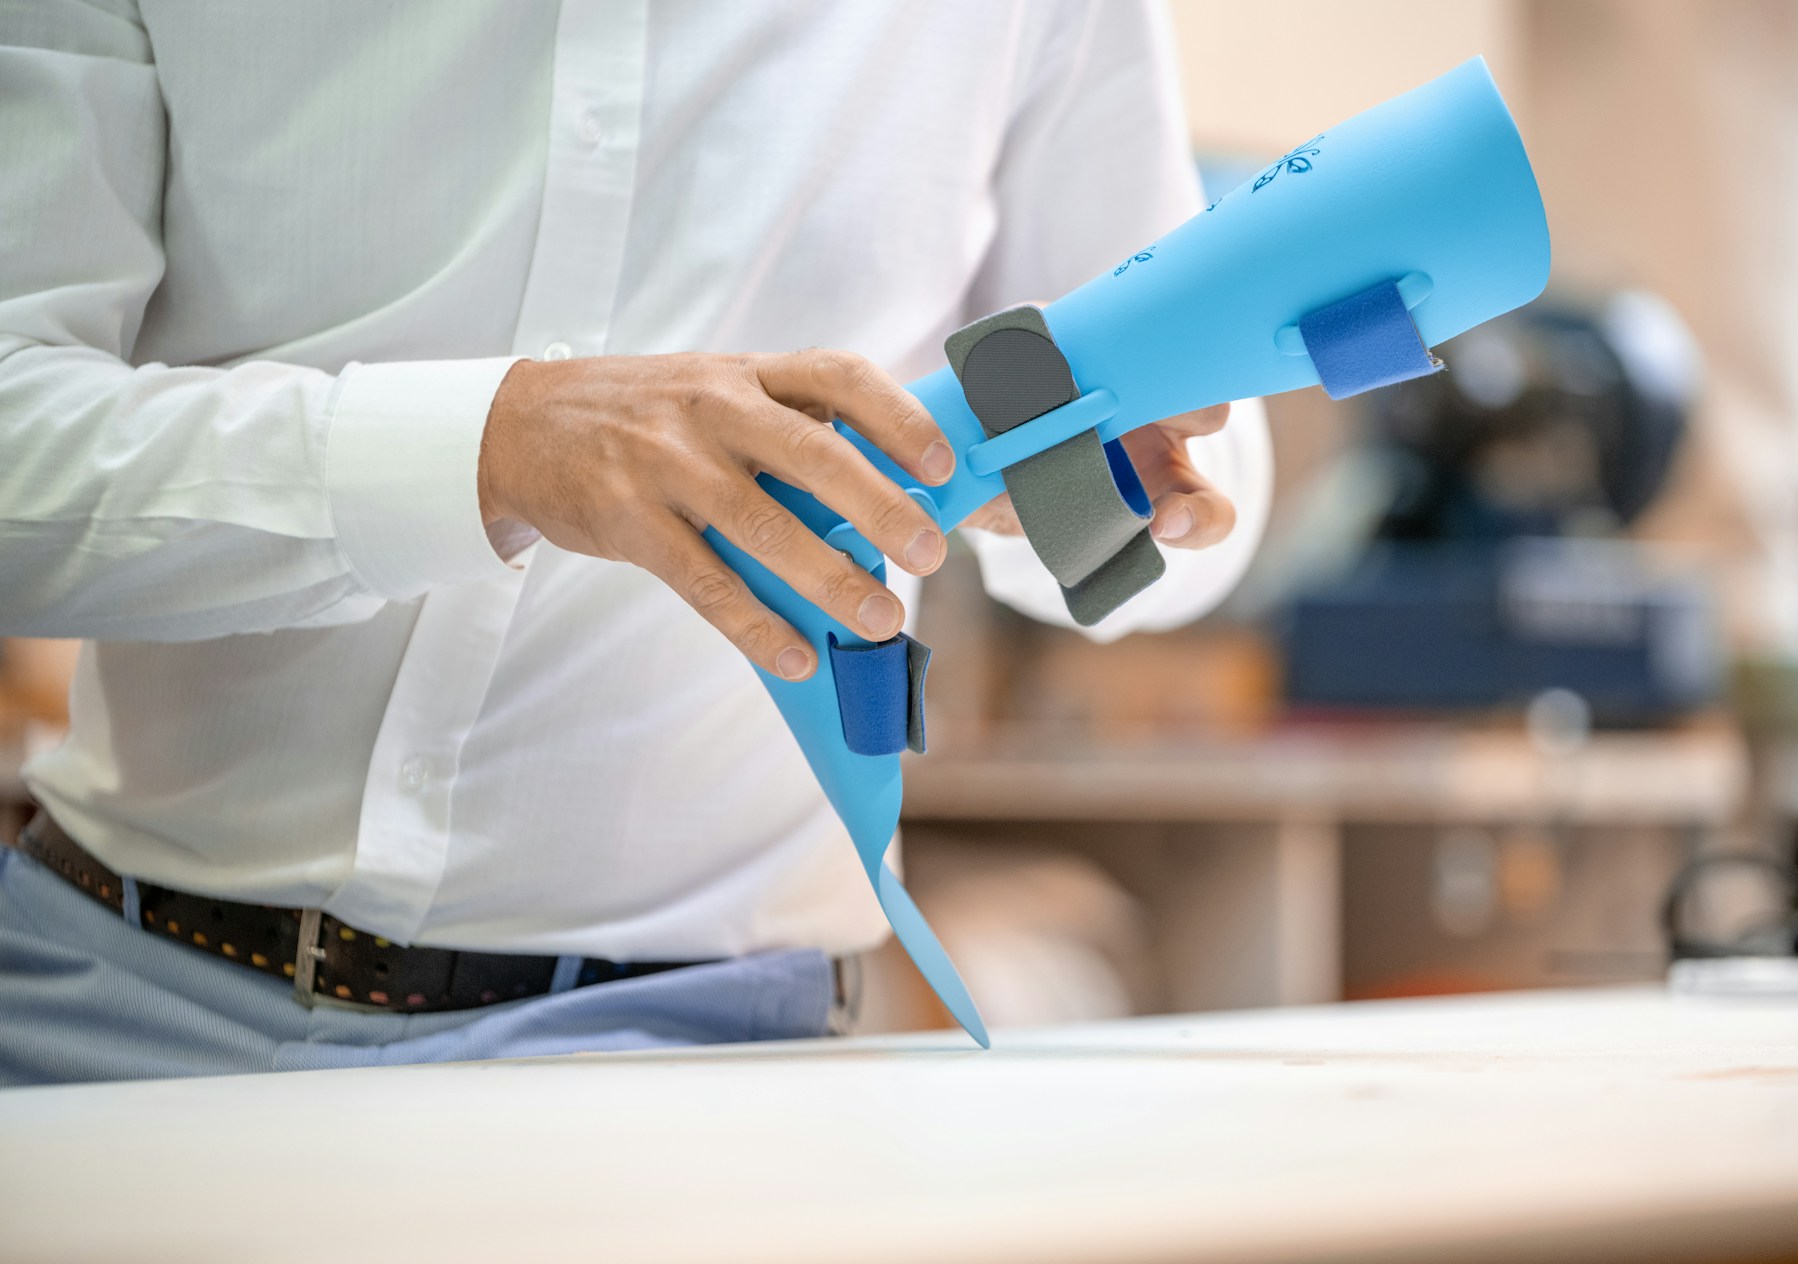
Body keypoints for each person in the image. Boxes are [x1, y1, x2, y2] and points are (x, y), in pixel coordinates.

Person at [0, 0, 1270, 1086]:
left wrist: (1081, 482)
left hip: (705, 1069)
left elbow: (1196, 490)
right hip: (107, 1011)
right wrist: (493, 449)